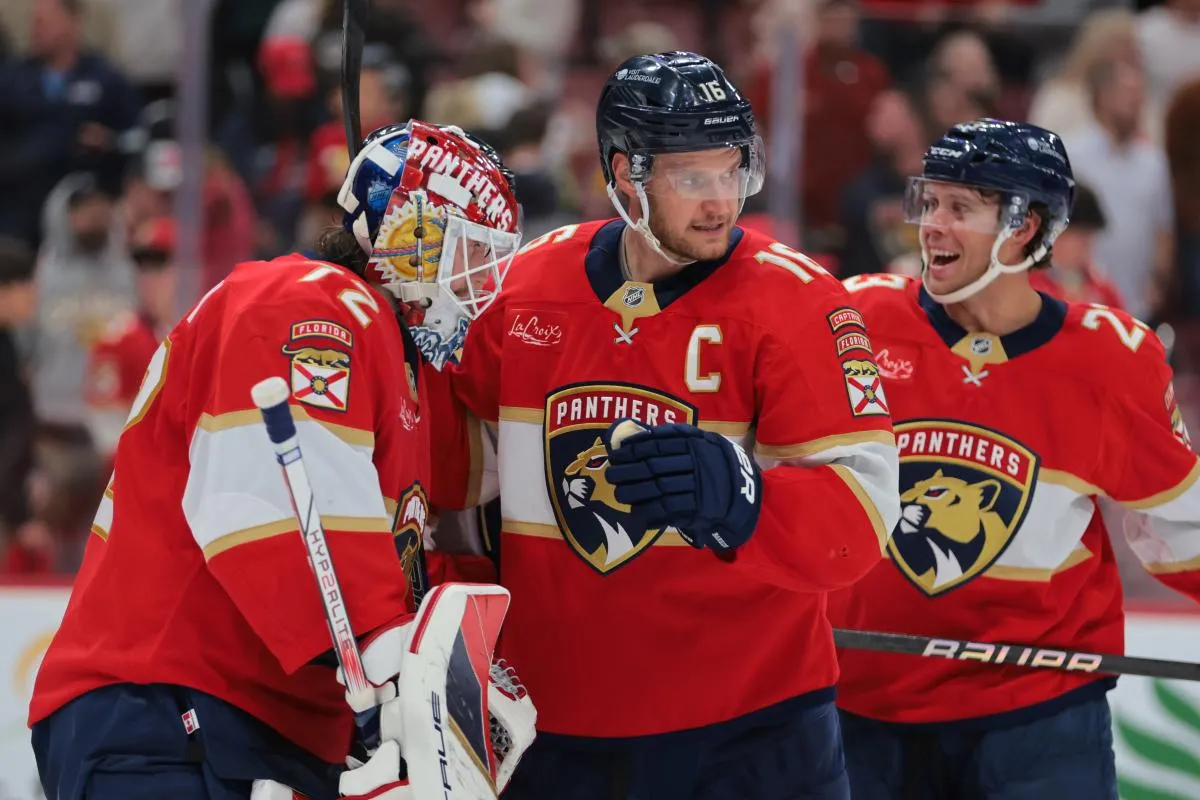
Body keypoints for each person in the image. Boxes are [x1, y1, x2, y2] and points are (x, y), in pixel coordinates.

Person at [436, 50, 900, 799]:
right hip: (550, 728)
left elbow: (866, 520)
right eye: (692, 178)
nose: (721, 201)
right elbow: (447, 478)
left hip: (750, 733)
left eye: (733, 172)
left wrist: (747, 497)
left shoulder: (802, 304)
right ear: (624, 172)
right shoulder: (524, 290)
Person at [28, 119, 536, 800]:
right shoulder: (307, 303)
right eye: (473, 255)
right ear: (409, 241)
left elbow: (445, 529)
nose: (482, 284)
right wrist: (396, 661)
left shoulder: (401, 368)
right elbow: (276, 509)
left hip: (258, 726)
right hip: (165, 703)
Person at [830, 118, 1200, 799]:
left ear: (1024, 226)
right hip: (862, 707)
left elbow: (1183, 533)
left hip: (1038, 720)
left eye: (960, 208)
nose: (932, 225)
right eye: (929, 201)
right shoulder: (851, 324)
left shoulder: (1110, 360)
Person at [83, 215, 180, 463]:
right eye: (142, 267)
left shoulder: (207, 334)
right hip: (140, 478)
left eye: (160, 265)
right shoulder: (118, 340)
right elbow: (106, 432)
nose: (148, 278)